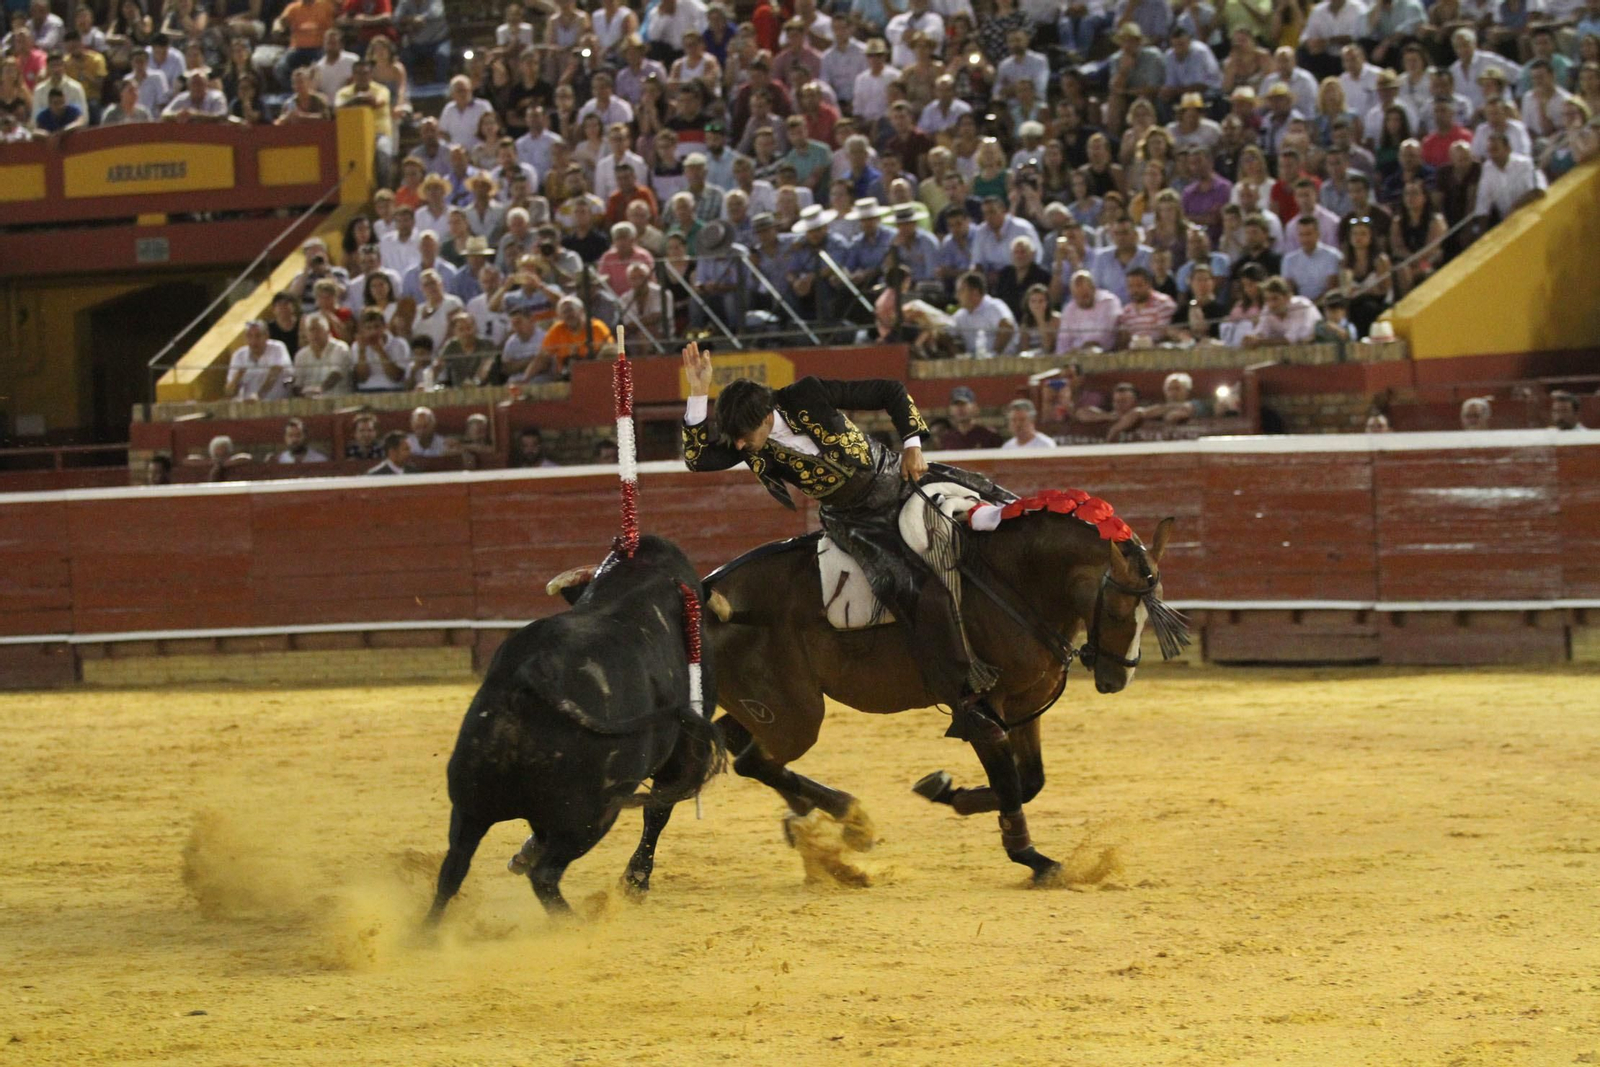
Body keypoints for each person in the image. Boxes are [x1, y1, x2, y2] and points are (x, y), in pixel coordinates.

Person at [679, 341, 1009, 743]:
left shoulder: (807, 394)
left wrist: (912, 445)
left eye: (746, 436)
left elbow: (889, 389)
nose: (740, 447)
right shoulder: (752, 446)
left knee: (1003, 513)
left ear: (766, 416)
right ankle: (967, 700)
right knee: (912, 590)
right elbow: (697, 458)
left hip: (899, 478)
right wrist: (698, 394)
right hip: (856, 520)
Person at [937, 386, 1003, 449]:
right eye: (956, 404)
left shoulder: (989, 437)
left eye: (964, 404)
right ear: (950, 409)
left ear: (975, 407)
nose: (960, 409)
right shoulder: (947, 439)